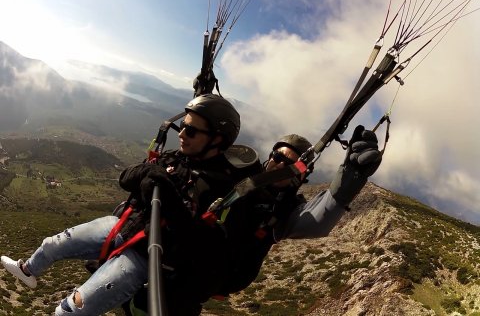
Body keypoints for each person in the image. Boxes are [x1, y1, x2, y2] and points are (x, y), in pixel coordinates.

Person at [1, 94, 260, 316]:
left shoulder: (222, 189)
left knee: (75, 307)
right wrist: (143, 174)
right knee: (52, 244)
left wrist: (169, 199)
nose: (181, 134)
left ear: (216, 140)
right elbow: (125, 178)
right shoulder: (175, 158)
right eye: (182, 126)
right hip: (123, 225)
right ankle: (28, 270)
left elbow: (203, 245)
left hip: (146, 256)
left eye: (191, 130)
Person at [126, 127, 382, 314]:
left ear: (299, 175)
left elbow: (317, 220)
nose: (277, 162)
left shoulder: (282, 210)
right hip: (166, 252)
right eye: (276, 156)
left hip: (192, 284)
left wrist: (350, 178)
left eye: (287, 162)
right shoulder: (238, 176)